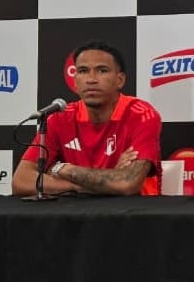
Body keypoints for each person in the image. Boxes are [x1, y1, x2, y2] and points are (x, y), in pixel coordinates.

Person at [12, 41, 163, 196]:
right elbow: (21, 181)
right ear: (75, 80)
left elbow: (127, 184)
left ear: (120, 80)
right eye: (83, 71)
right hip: (76, 212)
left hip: (135, 212)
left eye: (102, 70)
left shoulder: (142, 115)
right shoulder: (59, 118)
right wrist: (81, 185)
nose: (91, 79)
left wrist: (63, 169)